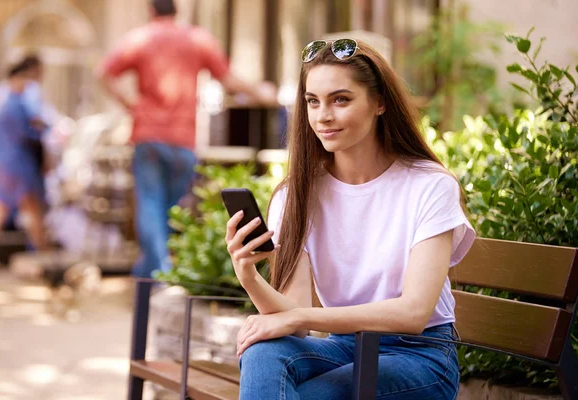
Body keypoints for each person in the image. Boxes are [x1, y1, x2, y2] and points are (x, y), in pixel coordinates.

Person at [224, 39, 476, 399]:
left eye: (340, 99)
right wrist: (248, 276)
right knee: (263, 351)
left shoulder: (429, 186)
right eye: (313, 101)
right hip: (345, 347)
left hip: (418, 354)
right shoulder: (296, 194)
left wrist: (300, 318)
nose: (323, 115)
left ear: (379, 103)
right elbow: (294, 317)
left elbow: (414, 312)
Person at [97, 0, 276, 278]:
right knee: (169, 210)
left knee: (151, 205)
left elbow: (104, 73)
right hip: (183, 140)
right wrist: (260, 92)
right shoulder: (197, 39)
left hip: (149, 136)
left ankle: (155, 273)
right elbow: (228, 80)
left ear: (151, 11)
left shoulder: (140, 38)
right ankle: (155, 272)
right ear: (177, 10)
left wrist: (131, 105)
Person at [0, 59, 49, 270]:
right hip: (18, 167)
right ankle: (45, 258)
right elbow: (32, 133)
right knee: (32, 211)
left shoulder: (2, 103)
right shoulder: (17, 105)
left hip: (2, 166)